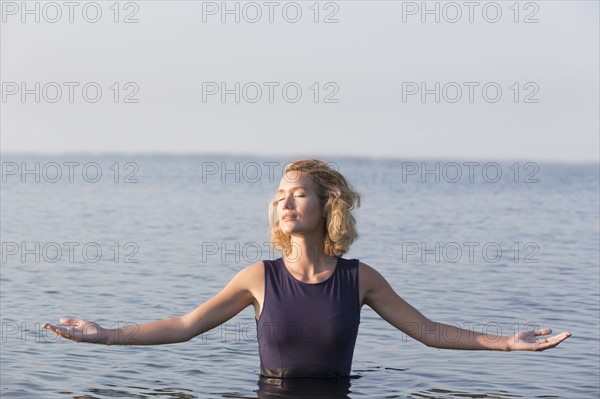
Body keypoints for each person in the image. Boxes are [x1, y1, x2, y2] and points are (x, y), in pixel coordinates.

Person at [43, 159, 571, 380]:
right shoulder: (258, 278)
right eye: (279, 196)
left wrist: (507, 343)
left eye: (298, 194)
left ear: (328, 207)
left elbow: (428, 333)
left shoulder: (360, 279)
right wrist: (104, 335)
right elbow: (185, 327)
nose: (285, 204)